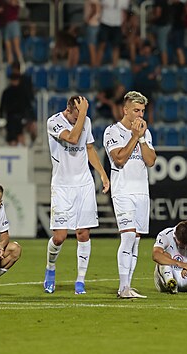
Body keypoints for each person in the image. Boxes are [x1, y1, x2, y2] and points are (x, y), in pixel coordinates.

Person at [44, 96, 110, 295]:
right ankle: (50, 269)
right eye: (76, 115)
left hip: (84, 184)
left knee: (83, 233)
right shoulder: (53, 122)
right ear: (68, 109)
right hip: (62, 186)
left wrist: (102, 173)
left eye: (81, 115)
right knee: (60, 236)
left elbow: (89, 148)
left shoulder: (85, 120)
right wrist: (82, 115)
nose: (79, 119)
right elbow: (72, 138)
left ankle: (80, 280)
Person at [103, 91, 156, 299]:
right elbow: (119, 159)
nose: (140, 115)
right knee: (127, 236)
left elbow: (151, 161)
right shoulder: (112, 131)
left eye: (142, 111)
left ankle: (128, 286)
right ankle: (123, 288)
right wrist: (135, 136)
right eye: (136, 110)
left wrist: (142, 138)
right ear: (125, 110)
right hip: (123, 191)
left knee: (135, 240)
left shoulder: (146, 133)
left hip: (142, 192)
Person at [0, 72, 32, 146]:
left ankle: (22, 151)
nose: (15, 82)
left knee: (21, 136)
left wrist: (28, 117)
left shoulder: (23, 92)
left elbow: (27, 105)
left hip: (21, 117)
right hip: (10, 118)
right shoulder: (6, 92)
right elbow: (2, 106)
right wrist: (1, 117)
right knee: (12, 139)